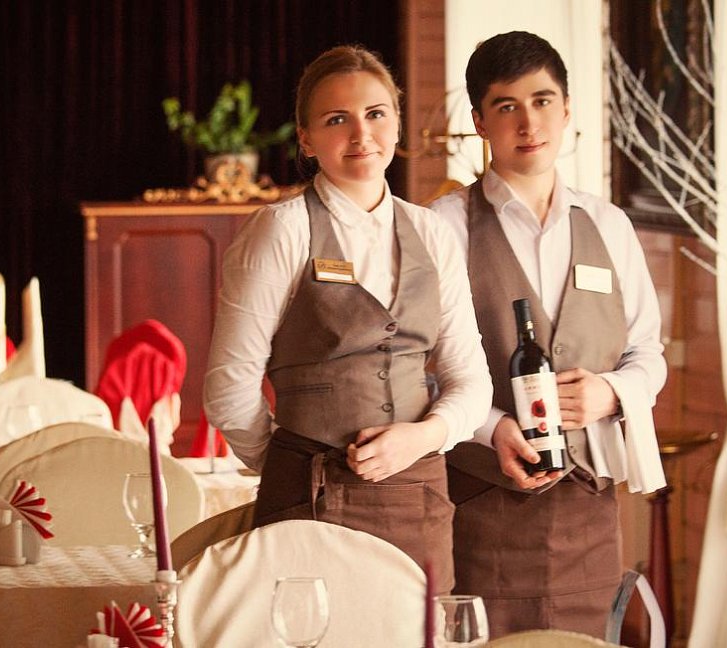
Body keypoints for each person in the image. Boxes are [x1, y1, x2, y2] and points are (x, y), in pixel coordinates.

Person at [204, 45, 492, 591]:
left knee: (419, 629)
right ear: (306, 138)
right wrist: (290, 463)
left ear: (397, 124)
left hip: (419, 499)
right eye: (337, 119)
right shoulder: (281, 230)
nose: (361, 134)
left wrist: (423, 437)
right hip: (308, 500)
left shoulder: (433, 233)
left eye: (375, 114)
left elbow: (470, 380)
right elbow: (229, 388)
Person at [432, 31, 667, 638]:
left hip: (589, 515)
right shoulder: (443, 227)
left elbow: (647, 352)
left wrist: (610, 393)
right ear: (480, 122)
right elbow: (419, 369)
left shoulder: (609, 224)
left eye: (542, 101)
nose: (528, 122)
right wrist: (491, 428)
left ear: (566, 110)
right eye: (506, 106)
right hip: (479, 505)